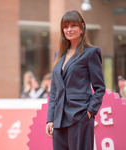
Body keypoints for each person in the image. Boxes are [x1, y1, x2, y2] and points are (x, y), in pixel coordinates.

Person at [46, 10, 106, 150]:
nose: (69, 30)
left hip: (80, 116)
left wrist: (89, 113)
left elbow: (100, 88)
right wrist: (50, 118)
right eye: (66, 27)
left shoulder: (91, 52)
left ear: (82, 28)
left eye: (73, 25)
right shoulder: (58, 54)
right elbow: (55, 89)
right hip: (59, 119)